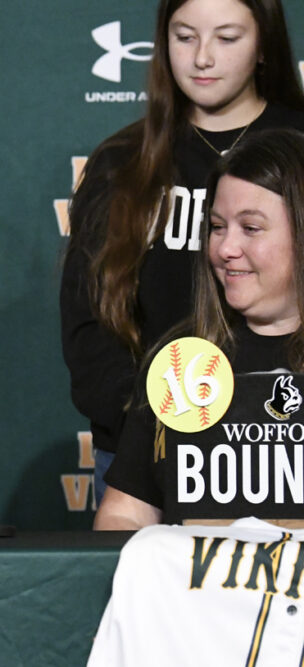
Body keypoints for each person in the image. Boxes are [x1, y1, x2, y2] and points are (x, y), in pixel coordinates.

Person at [60, 0, 304, 506]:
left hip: (284, 444)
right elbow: (88, 318)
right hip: (143, 449)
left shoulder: (297, 147)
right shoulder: (121, 163)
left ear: (263, 45)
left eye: (227, 38)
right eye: (185, 36)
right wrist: (148, 419)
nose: (202, 58)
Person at [95, 127, 304, 529]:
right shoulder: (182, 359)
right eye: (218, 226)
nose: (225, 248)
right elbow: (126, 511)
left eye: (251, 228)